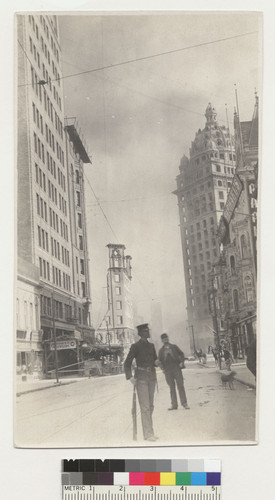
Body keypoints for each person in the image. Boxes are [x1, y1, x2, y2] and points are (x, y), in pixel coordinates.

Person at [124, 323, 158, 441]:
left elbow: (154, 361)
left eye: (148, 330)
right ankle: (148, 434)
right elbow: (127, 363)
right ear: (141, 333)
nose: (148, 332)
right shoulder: (135, 346)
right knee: (145, 407)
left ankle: (149, 431)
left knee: (151, 406)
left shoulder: (152, 346)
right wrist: (130, 377)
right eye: (146, 330)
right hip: (142, 379)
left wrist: (157, 362)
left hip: (152, 378)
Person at [158, 333, 190, 411]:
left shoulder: (174, 347)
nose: (165, 339)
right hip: (168, 371)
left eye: (166, 338)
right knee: (171, 388)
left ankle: (184, 403)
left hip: (176, 369)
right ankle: (174, 405)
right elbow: (159, 361)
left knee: (180, 386)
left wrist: (181, 362)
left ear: (168, 339)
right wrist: (162, 368)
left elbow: (182, 354)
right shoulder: (161, 351)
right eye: (163, 339)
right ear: (162, 340)